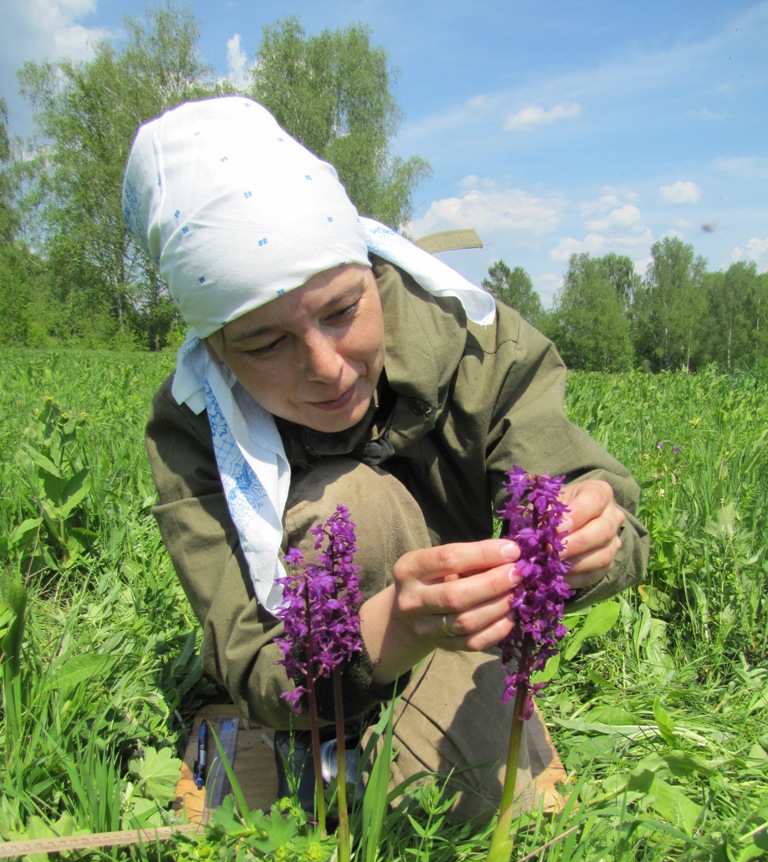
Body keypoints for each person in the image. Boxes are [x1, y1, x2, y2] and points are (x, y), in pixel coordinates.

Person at [123, 96, 648, 822]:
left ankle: (425, 735)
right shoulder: (191, 427)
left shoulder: (479, 344)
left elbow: (608, 513)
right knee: (348, 510)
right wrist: (396, 621)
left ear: (370, 271)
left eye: (342, 311)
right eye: (267, 344)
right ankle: (285, 738)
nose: (326, 367)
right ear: (215, 347)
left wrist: (592, 536)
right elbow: (251, 655)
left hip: (461, 641)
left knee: (465, 810)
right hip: (316, 661)